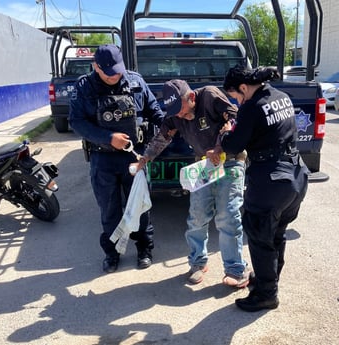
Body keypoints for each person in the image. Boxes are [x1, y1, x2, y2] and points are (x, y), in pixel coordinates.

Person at [137, 79, 250, 287]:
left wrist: (219, 146)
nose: (178, 116)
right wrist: (145, 159)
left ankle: (236, 269)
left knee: (227, 216)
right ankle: (198, 263)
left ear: (190, 97)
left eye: (180, 110)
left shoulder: (209, 96)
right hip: (203, 166)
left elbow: (235, 119)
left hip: (230, 160)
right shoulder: (174, 114)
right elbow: (162, 137)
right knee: (196, 217)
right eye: (173, 112)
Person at [219, 65, 309, 312]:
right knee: (277, 233)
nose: (236, 101)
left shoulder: (251, 107)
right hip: (295, 177)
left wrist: (227, 133)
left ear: (244, 87)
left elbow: (234, 146)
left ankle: (266, 294)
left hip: (270, 181)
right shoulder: (281, 97)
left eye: (235, 96)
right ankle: (267, 280)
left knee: (260, 236)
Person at [69, 44, 164, 273]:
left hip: (135, 157)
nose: (115, 76)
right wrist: (108, 137)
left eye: (118, 70)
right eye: (108, 72)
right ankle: (112, 254)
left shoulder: (135, 81)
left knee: (140, 207)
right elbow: (76, 121)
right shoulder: (85, 87)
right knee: (110, 210)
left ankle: (144, 248)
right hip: (103, 159)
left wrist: (173, 127)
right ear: (96, 67)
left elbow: (155, 112)